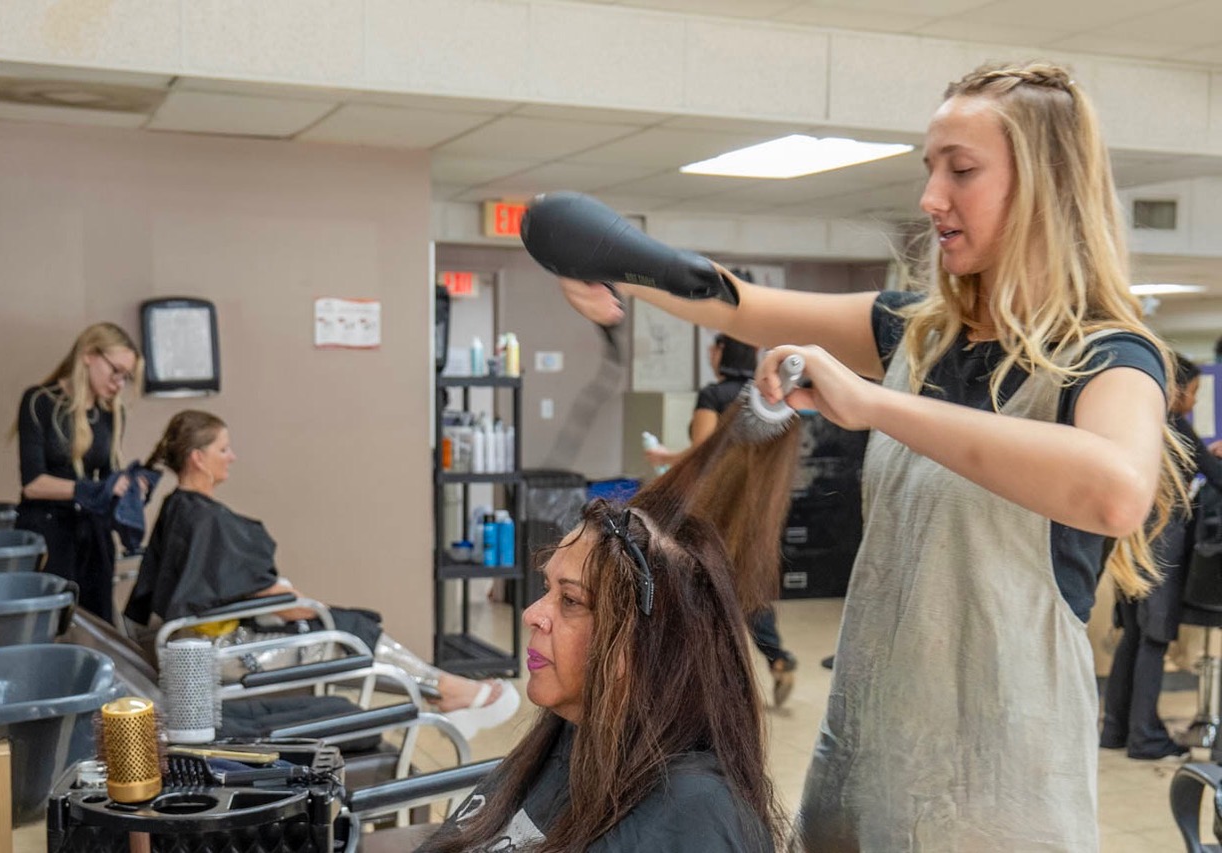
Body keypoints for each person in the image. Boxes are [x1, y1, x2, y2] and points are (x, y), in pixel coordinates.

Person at [556, 61, 1191, 850]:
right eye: (930, 168)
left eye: (961, 170)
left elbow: (1115, 490)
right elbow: (740, 305)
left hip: (997, 800)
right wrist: (610, 259)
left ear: (1045, 188)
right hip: (859, 770)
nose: (931, 197)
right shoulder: (917, 335)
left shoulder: (1110, 358)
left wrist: (876, 403)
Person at [125, 410, 520, 739]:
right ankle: (447, 690)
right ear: (198, 458)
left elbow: (212, 585)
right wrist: (310, 608)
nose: (233, 457)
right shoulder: (204, 519)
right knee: (346, 633)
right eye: (224, 449)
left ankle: (442, 690)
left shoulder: (179, 509)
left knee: (346, 624)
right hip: (226, 654)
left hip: (202, 646)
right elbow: (270, 597)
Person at [420, 496, 784, 852]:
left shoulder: (694, 817)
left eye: (571, 600)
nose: (531, 614)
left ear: (647, 643)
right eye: (547, 589)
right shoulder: (571, 735)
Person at [646, 333, 799, 707]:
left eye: (713, 348)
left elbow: (702, 455)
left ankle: (698, 678)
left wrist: (663, 456)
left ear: (721, 352)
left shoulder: (713, 396)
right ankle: (777, 658)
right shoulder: (770, 399)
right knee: (746, 582)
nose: (710, 354)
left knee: (702, 585)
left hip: (715, 509)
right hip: (757, 507)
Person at [1102, 354, 1222, 759]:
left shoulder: (1139, 424)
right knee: (1153, 639)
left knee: (1133, 636)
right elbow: (1217, 477)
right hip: (1161, 543)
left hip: (1129, 540)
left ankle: (1115, 730)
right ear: (1175, 390)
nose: (1194, 401)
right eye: (1194, 392)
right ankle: (1145, 738)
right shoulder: (1175, 426)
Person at [13, 322, 144, 621]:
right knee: (52, 621)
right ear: (88, 355)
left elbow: (108, 476)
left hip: (92, 534)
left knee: (97, 622)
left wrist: (129, 488)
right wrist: (89, 490)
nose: (118, 384)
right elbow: (33, 483)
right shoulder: (40, 402)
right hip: (47, 529)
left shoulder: (111, 413)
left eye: (126, 377)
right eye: (115, 371)